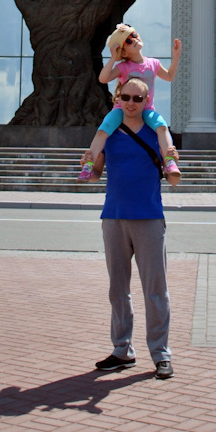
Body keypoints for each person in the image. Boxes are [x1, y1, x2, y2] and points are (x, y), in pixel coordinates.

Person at [94, 74, 173, 379]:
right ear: (118, 98)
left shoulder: (156, 130)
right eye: (125, 98)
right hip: (114, 216)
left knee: (155, 290)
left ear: (146, 101)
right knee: (118, 289)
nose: (130, 104)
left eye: (137, 99)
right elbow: (98, 169)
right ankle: (122, 350)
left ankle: (161, 354)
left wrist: (173, 160)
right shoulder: (110, 130)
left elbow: (170, 164)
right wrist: (89, 163)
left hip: (149, 217)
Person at [78, 24, 182, 184]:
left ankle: (169, 161)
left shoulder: (153, 63)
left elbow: (169, 76)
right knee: (103, 130)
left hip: (146, 109)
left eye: (133, 35)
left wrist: (175, 57)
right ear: (123, 52)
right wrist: (113, 58)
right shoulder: (123, 66)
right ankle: (88, 165)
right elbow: (103, 79)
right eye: (128, 40)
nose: (133, 39)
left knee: (161, 126)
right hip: (122, 109)